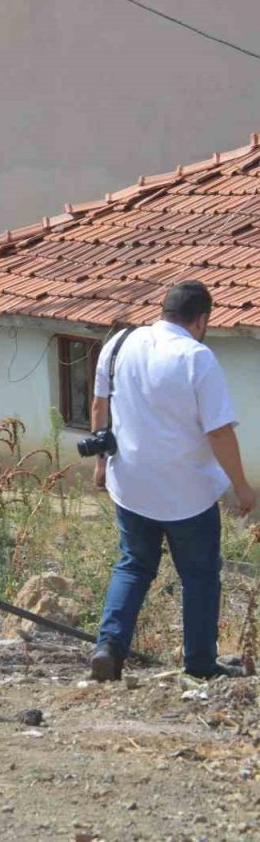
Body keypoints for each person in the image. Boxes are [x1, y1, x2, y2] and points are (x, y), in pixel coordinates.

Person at [90, 281, 255, 681]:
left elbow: (99, 405)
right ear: (201, 319)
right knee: (199, 575)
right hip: (187, 494)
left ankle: (109, 648)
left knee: (132, 566)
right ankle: (199, 665)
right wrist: (242, 485)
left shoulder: (119, 343)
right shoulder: (197, 358)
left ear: (163, 310)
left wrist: (100, 464)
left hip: (130, 483)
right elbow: (218, 431)